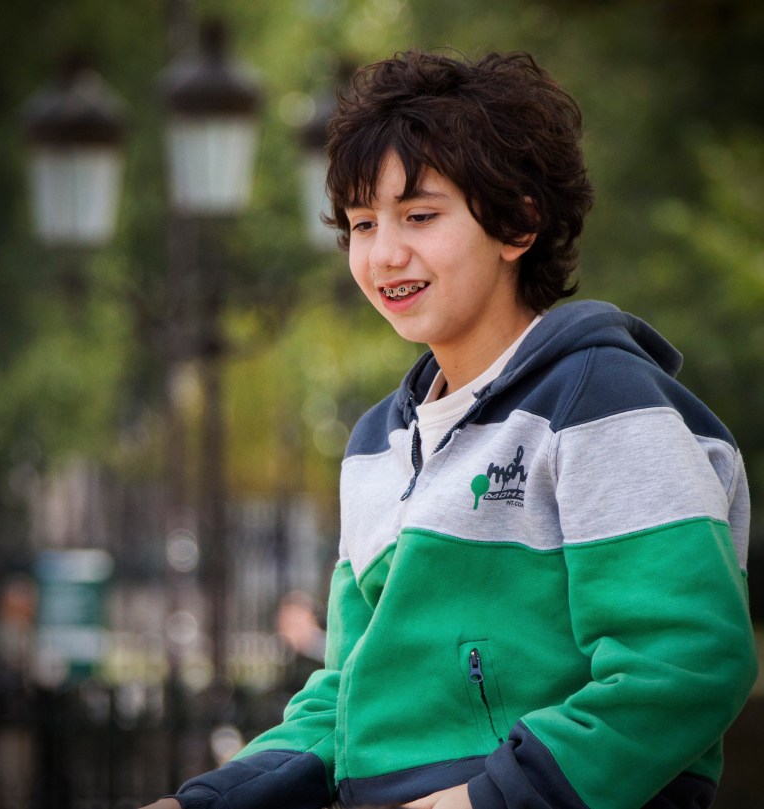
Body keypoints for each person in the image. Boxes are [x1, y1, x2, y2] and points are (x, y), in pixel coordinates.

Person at [140, 50, 758, 809]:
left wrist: (479, 801)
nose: (384, 253)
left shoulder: (601, 398)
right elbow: (343, 699)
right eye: (362, 223)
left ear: (518, 222)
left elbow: (686, 659)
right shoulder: (375, 444)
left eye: (420, 215)